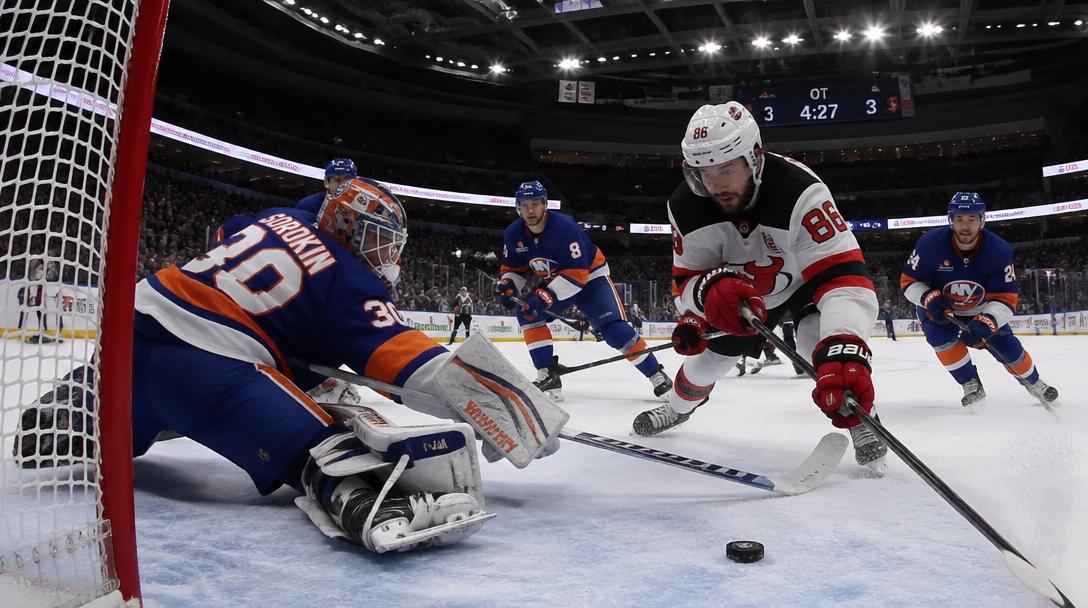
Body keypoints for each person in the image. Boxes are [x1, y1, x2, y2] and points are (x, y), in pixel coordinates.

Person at [18, 178, 533, 553]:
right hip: (209, 370)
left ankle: (75, 406)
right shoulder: (352, 281)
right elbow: (406, 359)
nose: (385, 254)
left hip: (130, 329)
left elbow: (229, 233)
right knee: (324, 446)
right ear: (350, 226)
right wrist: (487, 399)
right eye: (379, 238)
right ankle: (369, 504)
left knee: (130, 409)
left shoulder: (272, 219)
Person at [631, 102, 884, 468]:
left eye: (726, 168)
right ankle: (677, 407)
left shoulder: (801, 191)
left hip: (805, 281)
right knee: (706, 364)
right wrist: (702, 303)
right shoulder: (685, 205)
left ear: (755, 157)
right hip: (741, 294)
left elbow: (844, 278)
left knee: (821, 344)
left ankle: (864, 419)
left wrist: (845, 347)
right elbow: (686, 282)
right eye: (703, 170)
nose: (714, 184)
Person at [495, 181, 672, 401]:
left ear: (545, 205)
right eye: (524, 205)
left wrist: (543, 297)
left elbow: (578, 274)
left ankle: (656, 373)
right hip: (556, 282)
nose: (530, 210)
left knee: (614, 331)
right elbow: (513, 268)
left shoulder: (564, 227)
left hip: (590, 279)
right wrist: (508, 285)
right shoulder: (513, 233)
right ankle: (547, 373)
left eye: (535, 204)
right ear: (517, 207)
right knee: (528, 314)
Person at [900, 192, 1059, 407]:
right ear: (951, 219)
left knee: (1008, 348)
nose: (965, 226)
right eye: (959, 219)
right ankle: (970, 383)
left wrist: (988, 320)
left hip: (983, 309)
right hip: (941, 309)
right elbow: (908, 282)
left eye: (971, 219)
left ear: (982, 220)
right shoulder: (930, 244)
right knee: (940, 338)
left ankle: (1033, 381)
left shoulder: (998, 250)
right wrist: (928, 296)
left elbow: (1007, 297)